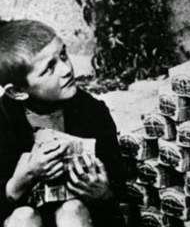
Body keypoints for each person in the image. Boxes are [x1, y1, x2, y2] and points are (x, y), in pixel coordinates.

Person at [0, 20, 125, 227]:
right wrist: (20, 181)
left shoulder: (92, 111)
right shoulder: (3, 120)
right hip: (23, 218)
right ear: (18, 91)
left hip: (79, 218)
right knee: (24, 217)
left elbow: (117, 185)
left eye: (63, 55)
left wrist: (103, 192)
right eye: (49, 68)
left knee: (72, 211)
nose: (66, 69)